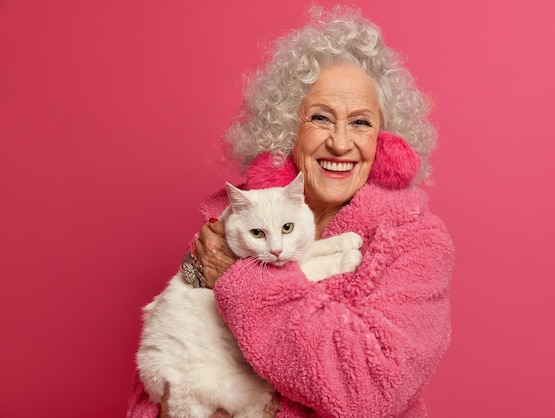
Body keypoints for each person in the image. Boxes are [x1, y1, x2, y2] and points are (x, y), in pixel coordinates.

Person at [127, 5, 454, 418]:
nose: (339, 143)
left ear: (385, 141)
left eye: (360, 123)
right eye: (320, 118)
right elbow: (167, 369)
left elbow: (370, 390)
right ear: (287, 129)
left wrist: (236, 279)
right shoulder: (240, 220)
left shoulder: (416, 243)